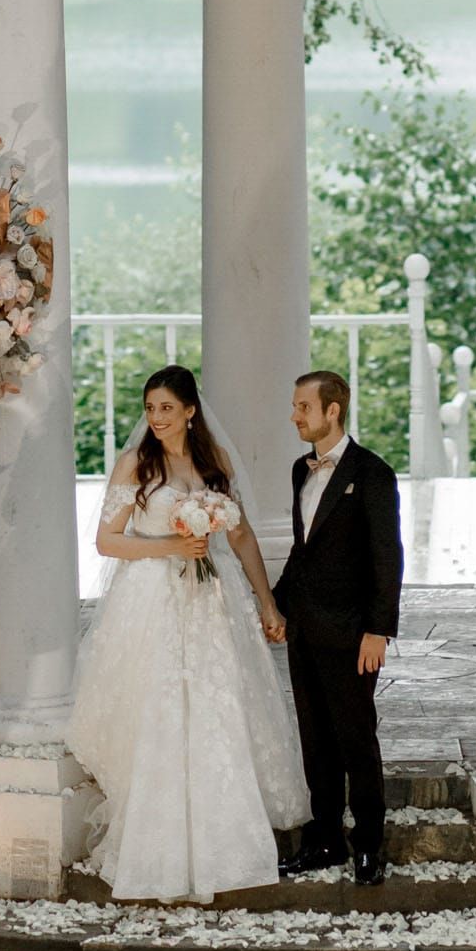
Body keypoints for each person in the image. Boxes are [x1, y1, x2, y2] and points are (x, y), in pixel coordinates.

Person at [66, 366, 309, 902]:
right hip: (152, 599)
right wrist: (169, 547)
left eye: (166, 409)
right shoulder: (136, 463)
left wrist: (266, 601)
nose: (156, 418)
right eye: (150, 408)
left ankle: (224, 836)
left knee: (216, 706)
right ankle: (158, 840)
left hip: (210, 602)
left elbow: (241, 537)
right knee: (161, 708)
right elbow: (108, 541)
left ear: (190, 411)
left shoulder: (213, 461)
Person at [273, 369, 403, 887]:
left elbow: (387, 557)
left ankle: (368, 844)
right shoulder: (299, 470)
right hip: (304, 629)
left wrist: (378, 630)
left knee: (356, 740)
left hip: (352, 634)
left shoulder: (372, 473)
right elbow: (303, 552)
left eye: (303, 407)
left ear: (333, 410)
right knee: (315, 740)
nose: (294, 416)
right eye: (294, 406)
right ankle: (324, 839)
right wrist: (275, 606)